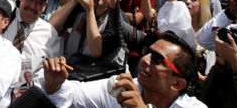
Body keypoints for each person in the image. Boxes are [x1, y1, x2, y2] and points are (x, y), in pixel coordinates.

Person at [43, 32, 207, 108]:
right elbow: (73, 95)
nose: (144, 60)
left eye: (157, 59)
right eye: (147, 53)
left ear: (177, 84)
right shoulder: (121, 87)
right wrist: (55, 84)